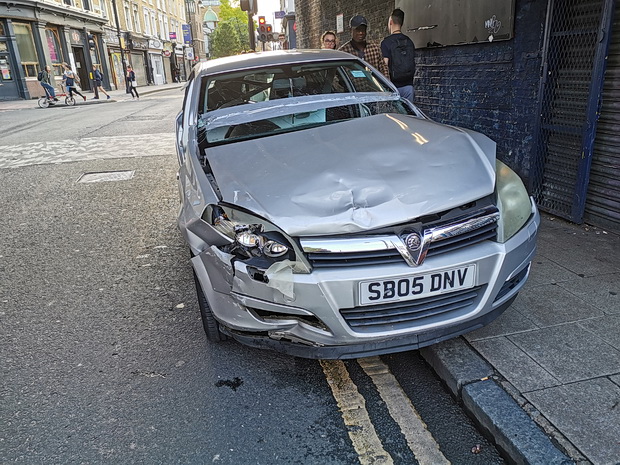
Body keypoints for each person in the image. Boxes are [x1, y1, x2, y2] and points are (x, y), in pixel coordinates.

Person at [381, 8, 416, 103]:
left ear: (391, 22)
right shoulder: (409, 42)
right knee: (407, 116)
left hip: (393, 88)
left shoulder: (386, 43)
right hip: (409, 87)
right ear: (402, 23)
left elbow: (385, 64)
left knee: (394, 116)